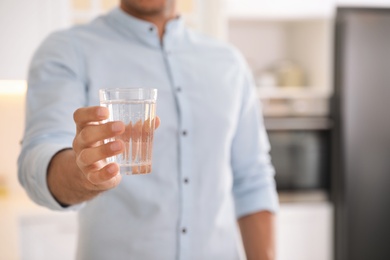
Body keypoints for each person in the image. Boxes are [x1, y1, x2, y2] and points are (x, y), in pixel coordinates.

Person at [18, 0, 279, 259]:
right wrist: (82, 172)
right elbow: (39, 155)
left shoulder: (229, 63)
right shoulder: (66, 50)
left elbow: (252, 179)